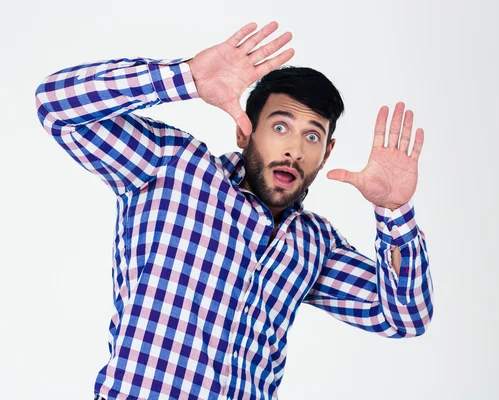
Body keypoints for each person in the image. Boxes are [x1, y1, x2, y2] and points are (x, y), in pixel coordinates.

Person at [35, 21, 433, 400]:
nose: (295, 150)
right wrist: (186, 77)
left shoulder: (315, 244)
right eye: (280, 127)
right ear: (245, 130)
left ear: (326, 153)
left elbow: (404, 317)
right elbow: (56, 107)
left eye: (312, 136)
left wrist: (394, 211)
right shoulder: (173, 168)